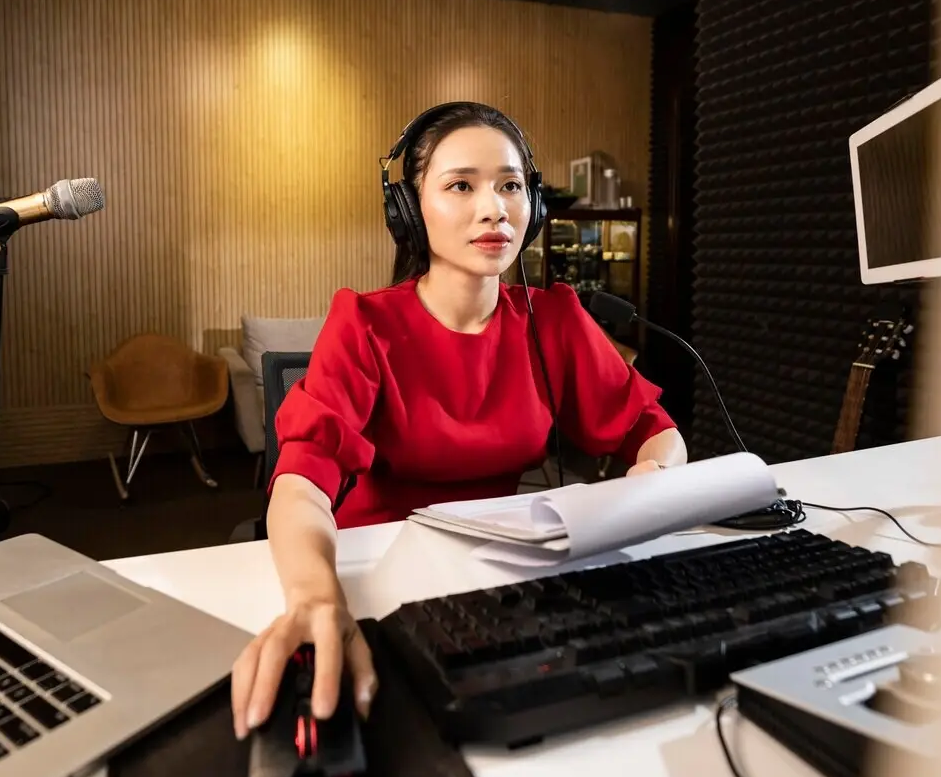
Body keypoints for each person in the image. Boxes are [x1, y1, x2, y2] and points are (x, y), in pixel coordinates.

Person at [230, 102, 686, 740]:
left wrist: (649, 482)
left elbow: (656, 428)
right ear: (411, 208)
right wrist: (313, 598)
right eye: (461, 185)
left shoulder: (553, 319)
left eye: (510, 185)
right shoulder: (364, 325)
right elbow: (301, 480)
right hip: (377, 574)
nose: (494, 207)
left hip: (502, 577)